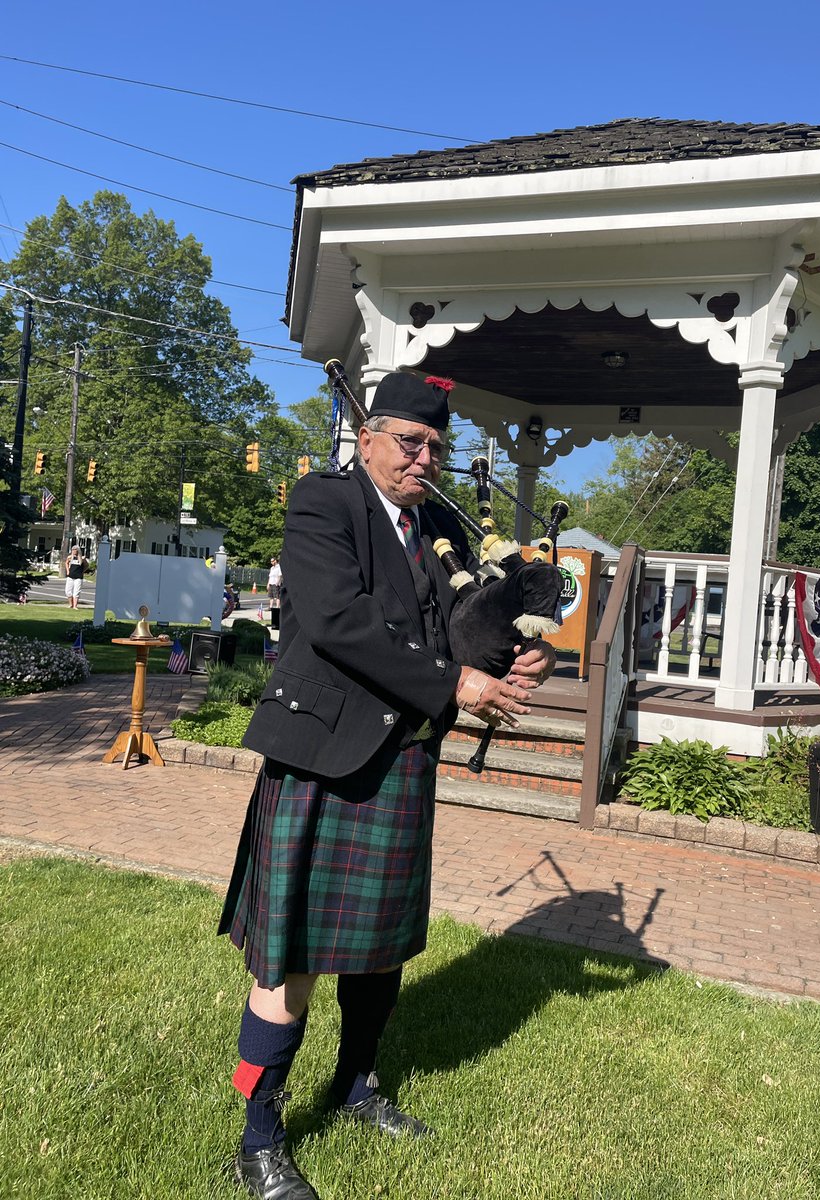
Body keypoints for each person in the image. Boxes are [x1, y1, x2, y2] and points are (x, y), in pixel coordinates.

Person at [218, 372, 555, 1200]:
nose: (424, 457)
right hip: (323, 754)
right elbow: (339, 622)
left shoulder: (439, 524)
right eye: (410, 441)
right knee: (289, 963)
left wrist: (518, 649)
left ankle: (356, 1082)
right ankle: (259, 1138)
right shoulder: (323, 504)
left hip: (401, 756)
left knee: (379, 951)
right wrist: (457, 689)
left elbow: (463, 627)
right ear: (367, 437)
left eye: (436, 445)